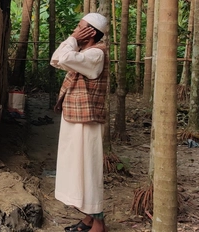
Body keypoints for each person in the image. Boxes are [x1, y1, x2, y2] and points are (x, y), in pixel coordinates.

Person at [50, 13, 109, 232]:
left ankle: (99, 223)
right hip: (76, 118)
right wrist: (74, 40)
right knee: (78, 168)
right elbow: (57, 58)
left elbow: (64, 57)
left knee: (88, 169)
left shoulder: (95, 54)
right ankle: (88, 218)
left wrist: (73, 39)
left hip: (87, 122)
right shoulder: (83, 52)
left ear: (91, 32)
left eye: (80, 27)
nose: (76, 30)